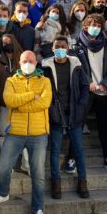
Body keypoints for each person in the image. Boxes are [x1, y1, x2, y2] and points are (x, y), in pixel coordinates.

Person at [0, 51, 52, 214]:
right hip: (15, 132)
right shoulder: (11, 81)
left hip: (38, 134)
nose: (28, 63)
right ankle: (2, 193)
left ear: (36, 62)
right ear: (19, 62)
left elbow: (44, 103)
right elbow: (9, 100)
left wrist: (21, 103)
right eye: (24, 61)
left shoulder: (45, 81)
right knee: (3, 167)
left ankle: (38, 210)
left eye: (31, 60)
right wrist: (32, 95)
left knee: (38, 175)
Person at [42, 37, 90, 199]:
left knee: (78, 149)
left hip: (74, 112)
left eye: (63, 46)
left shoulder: (76, 64)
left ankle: (82, 181)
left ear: (68, 48)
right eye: (57, 46)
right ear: (52, 48)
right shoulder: (46, 66)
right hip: (55, 112)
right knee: (55, 150)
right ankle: (56, 182)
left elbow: (85, 86)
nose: (60, 49)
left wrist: (82, 104)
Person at [73, 14, 107, 171]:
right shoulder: (77, 45)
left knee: (104, 126)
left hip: (103, 91)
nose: (95, 27)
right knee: (78, 124)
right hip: (85, 90)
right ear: (86, 26)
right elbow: (77, 67)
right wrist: (88, 83)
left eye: (99, 25)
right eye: (92, 24)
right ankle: (71, 158)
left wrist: (105, 84)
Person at [0, 34, 23, 155]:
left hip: (21, 105)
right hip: (3, 105)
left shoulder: (23, 59)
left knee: (23, 134)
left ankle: (26, 165)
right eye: (4, 43)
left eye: (9, 42)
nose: (7, 45)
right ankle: (7, 164)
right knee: (4, 135)